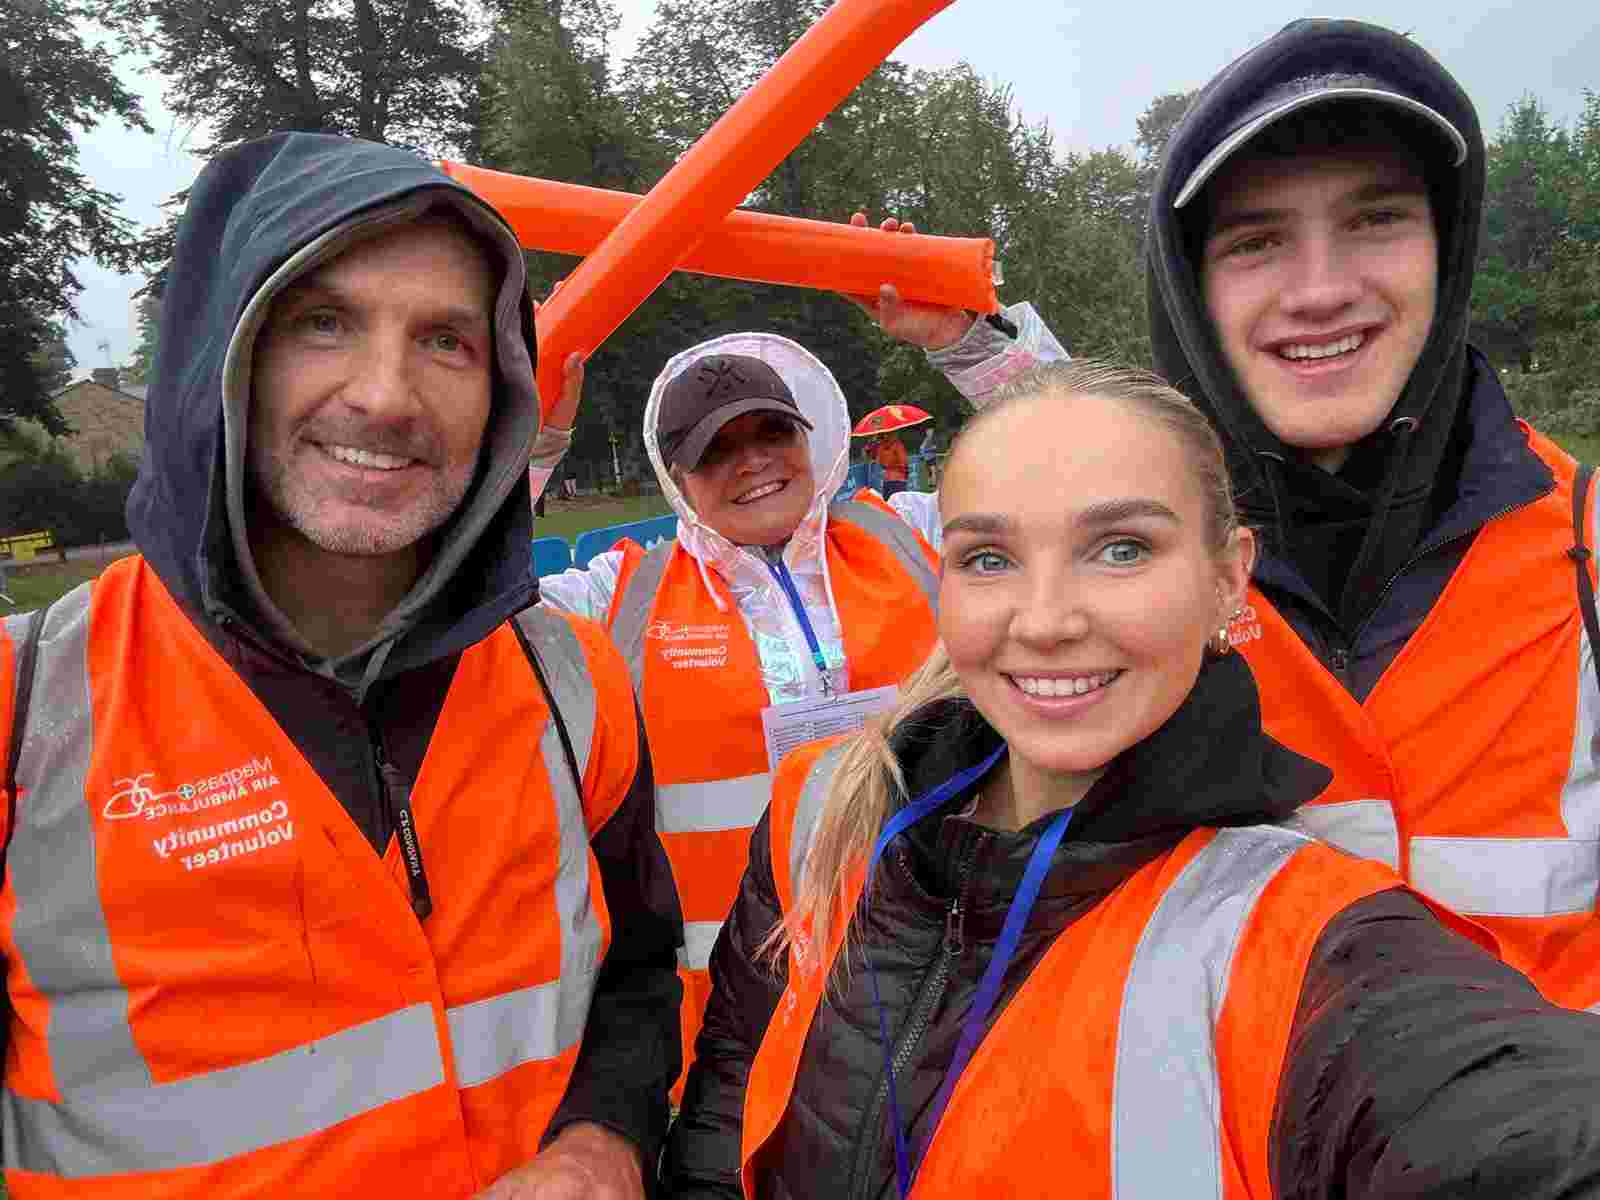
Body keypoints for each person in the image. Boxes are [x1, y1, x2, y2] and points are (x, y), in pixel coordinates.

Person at [663, 361, 1600, 1200]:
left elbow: (1510, 1125)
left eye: (1121, 549)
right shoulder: (821, 808)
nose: (1046, 621)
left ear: (1231, 580)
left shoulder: (1303, 935)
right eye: (989, 558)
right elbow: (731, 1091)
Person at [0, 132, 682, 1198]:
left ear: (501, 388)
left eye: (447, 342)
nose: (384, 395)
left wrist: (604, 1141)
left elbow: (638, 981)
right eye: (324, 323)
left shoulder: (572, 680)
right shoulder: (23, 707)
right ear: (231, 350)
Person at [910, 18, 1600, 1011]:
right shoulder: (1112, 585)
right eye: (1256, 240)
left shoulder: (1585, 553)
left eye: (1376, 220)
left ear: (1447, 250)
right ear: (1187, 289)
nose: (1320, 290)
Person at [534, 333, 949, 1096]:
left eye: (771, 431)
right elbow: (456, 593)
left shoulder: (912, 533)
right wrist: (534, 445)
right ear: (678, 479)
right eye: (716, 449)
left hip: (939, 963)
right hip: (738, 1013)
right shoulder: (617, 594)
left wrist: (968, 345)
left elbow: (1087, 458)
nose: (753, 460)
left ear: (807, 437)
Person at [867, 431, 909, 499]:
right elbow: (903, 461)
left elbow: (872, 456)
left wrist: (872, 442)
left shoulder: (880, 446)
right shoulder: (897, 444)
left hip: (887, 478)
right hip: (899, 478)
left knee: (888, 503)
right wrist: (906, 473)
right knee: (900, 502)